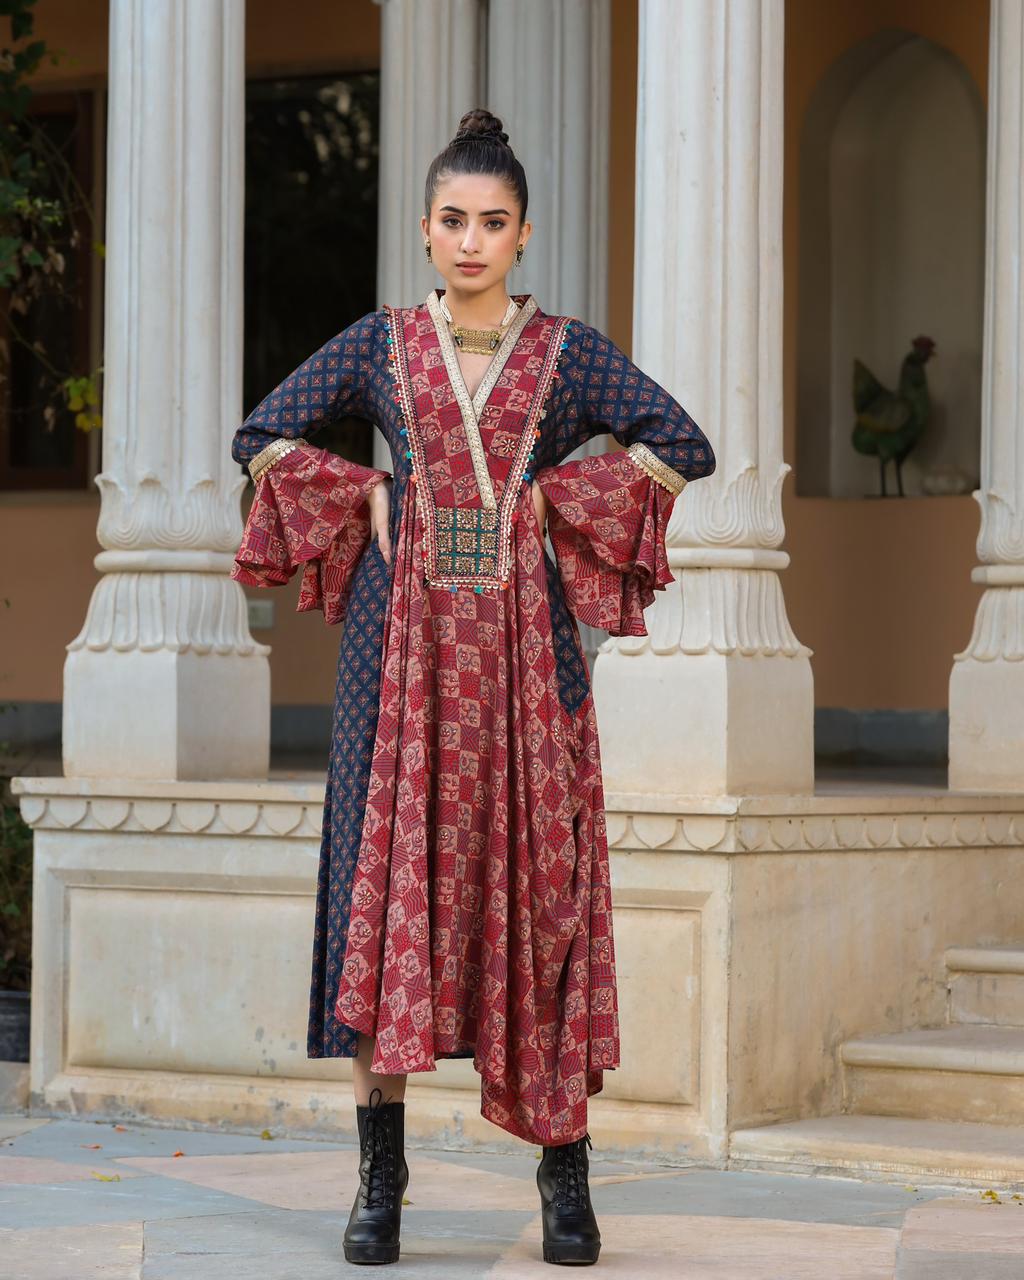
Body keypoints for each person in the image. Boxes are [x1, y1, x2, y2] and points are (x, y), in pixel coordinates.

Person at [230, 107, 716, 1268]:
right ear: (424, 227)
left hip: (527, 659)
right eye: (452, 219)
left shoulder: (567, 354)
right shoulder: (380, 344)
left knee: (543, 896)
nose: (469, 240)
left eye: (491, 222)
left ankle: (564, 1175)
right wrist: (367, 492)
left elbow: (682, 444)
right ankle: (380, 1178)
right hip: (390, 663)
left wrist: (555, 498)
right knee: (381, 892)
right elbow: (261, 434)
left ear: (522, 234)